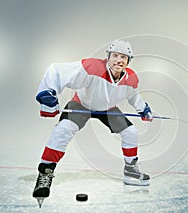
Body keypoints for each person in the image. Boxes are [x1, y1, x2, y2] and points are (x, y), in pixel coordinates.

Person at [32, 39, 153, 207]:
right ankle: (45, 173)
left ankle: (131, 171)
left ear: (128, 61)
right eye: (115, 56)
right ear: (108, 57)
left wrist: (143, 109)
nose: (119, 60)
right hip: (81, 105)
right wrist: (47, 93)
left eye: (123, 57)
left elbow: (133, 95)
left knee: (130, 132)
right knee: (62, 130)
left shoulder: (131, 77)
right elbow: (57, 71)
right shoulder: (92, 67)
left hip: (108, 109)